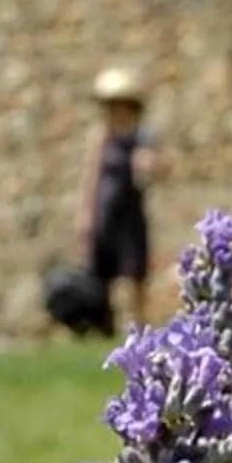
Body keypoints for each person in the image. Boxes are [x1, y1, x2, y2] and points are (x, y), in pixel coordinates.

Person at [78, 65, 156, 331]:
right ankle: (105, 325)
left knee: (135, 272)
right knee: (103, 272)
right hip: (105, 210)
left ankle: (140, 325)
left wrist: (146, 164)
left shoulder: (141, 135)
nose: (115, 109)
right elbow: (91, 176)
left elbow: (152, 166)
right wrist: (86, 215)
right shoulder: (99, 136)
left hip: (130, 212)